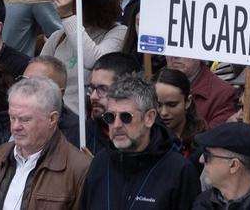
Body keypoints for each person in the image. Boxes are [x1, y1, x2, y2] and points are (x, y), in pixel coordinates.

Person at [76, 76, 202, 210]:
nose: (116, 125)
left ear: (149, 118)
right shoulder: (100, 163)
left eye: (126, 117)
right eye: (110, 117)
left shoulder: (179, 171)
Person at [0, 75, 93, 210]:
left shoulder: (80, 168)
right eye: (12, 117)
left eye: (25, 119)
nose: (15, 127)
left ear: (52, 119)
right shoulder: (1, 154)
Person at [40, 0, 129, 105]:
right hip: (56, 118)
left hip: (88, 120)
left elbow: (94, 60)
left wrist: (67, 16)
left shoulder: (119, 32)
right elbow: (37, 76)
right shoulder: (58, 38)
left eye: (74, 4)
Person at [163, 54, 240, 129]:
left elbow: (213, 139)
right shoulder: (154, 84)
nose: (176, 56)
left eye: (184, 49)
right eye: (172, 48)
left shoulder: (223, 94)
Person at [155, 68, 207, 157]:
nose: (163, 112)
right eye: (158, 105)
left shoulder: (203, 142)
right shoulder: (142, 139)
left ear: (187, 102)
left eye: (172, 105)